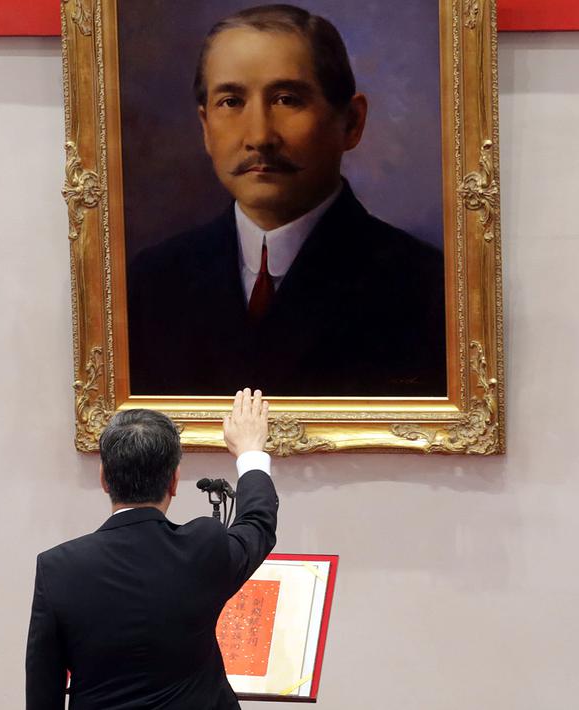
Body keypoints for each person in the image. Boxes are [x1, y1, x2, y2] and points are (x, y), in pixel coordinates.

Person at [126, 4, 446, 397]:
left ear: (351, 122)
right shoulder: (151, 285)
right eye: (231, 102)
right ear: (205, 128)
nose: (260, 136)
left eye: (287, 99)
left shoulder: (426, 289)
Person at [26, 389, 277, 710]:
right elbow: (257, 524)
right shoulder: (203, 548)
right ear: (174, 480)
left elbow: (42, 694)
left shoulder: (57, 569)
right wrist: (251, 452)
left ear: (104, 478)